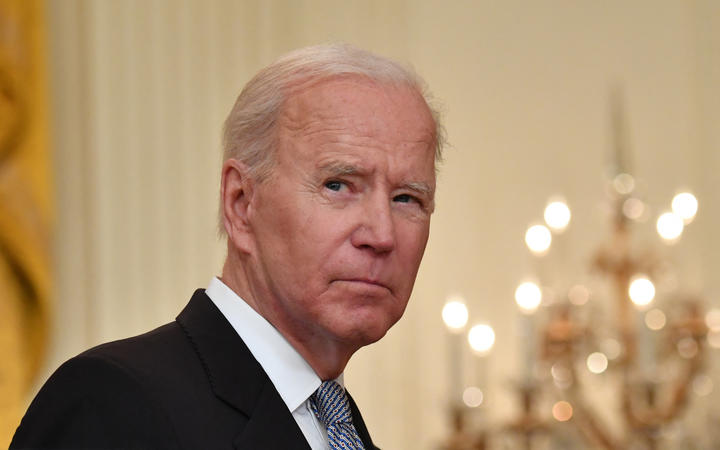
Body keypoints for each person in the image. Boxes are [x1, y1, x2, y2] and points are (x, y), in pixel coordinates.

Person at [11, 43, 444, 450]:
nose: (382, 236)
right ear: (241, 204)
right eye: (339, 185)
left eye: (407, 198)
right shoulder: (111, 403)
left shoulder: (337, 427)